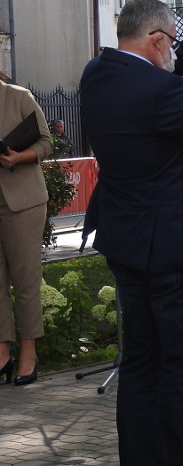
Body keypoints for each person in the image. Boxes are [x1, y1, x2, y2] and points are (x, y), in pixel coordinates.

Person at [80, 0, 183, 466]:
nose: (171, 51)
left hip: (129, 246)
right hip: (177, 252)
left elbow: (158, 69)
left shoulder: (97, 75)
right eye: (168, 41)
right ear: (154, 40)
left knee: (142, 367)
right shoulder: (166, 95)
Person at [0, 80, 53, 386]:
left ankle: (29, 354)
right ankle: (2, 353)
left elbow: (46, 142)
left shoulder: (18, 97)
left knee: (25, 279)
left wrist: (18, 157)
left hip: (23, 202)